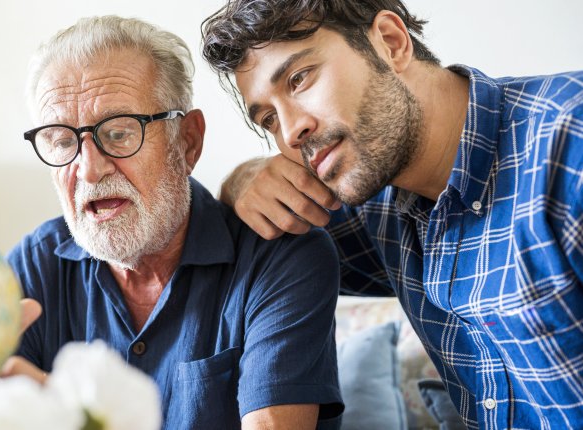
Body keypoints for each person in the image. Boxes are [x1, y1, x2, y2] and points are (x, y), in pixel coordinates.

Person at [201, 0, 583, 429]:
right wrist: (242, 179)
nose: (291, 131)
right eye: (269, 119)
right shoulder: (375, 209)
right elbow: (263, 253)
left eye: (300, 78)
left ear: (391, 42)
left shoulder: (569, 143)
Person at [1, 15, 344, 430]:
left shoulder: (281, 256)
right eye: (62, 141)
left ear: (188, 142)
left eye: (120, 132)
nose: (89, 169)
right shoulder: (34, 267)